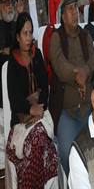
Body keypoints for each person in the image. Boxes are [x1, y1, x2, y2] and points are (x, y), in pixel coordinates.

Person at [6, 13, 58, 188]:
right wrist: (30, 109)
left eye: (30, 33)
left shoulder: (37, 55)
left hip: (41, 115)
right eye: (25, 34)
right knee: (38, 142)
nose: (28, 38)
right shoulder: (13, 62)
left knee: (41, 139)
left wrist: (38, 108)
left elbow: (44, 88)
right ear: (18, 37)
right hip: (21, 121)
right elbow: (15, 100)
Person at [48, 0, 94, 174]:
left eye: (76, 8)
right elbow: (60, 67)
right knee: (67, 153)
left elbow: (93, 60)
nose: (75, 12)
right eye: (70, 9)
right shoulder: (56, 38)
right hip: (66, 111)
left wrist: (85, 72)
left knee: (93, 153)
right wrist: (79, 76)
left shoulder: (86, 35)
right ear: (62, 14)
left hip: (87, 108)